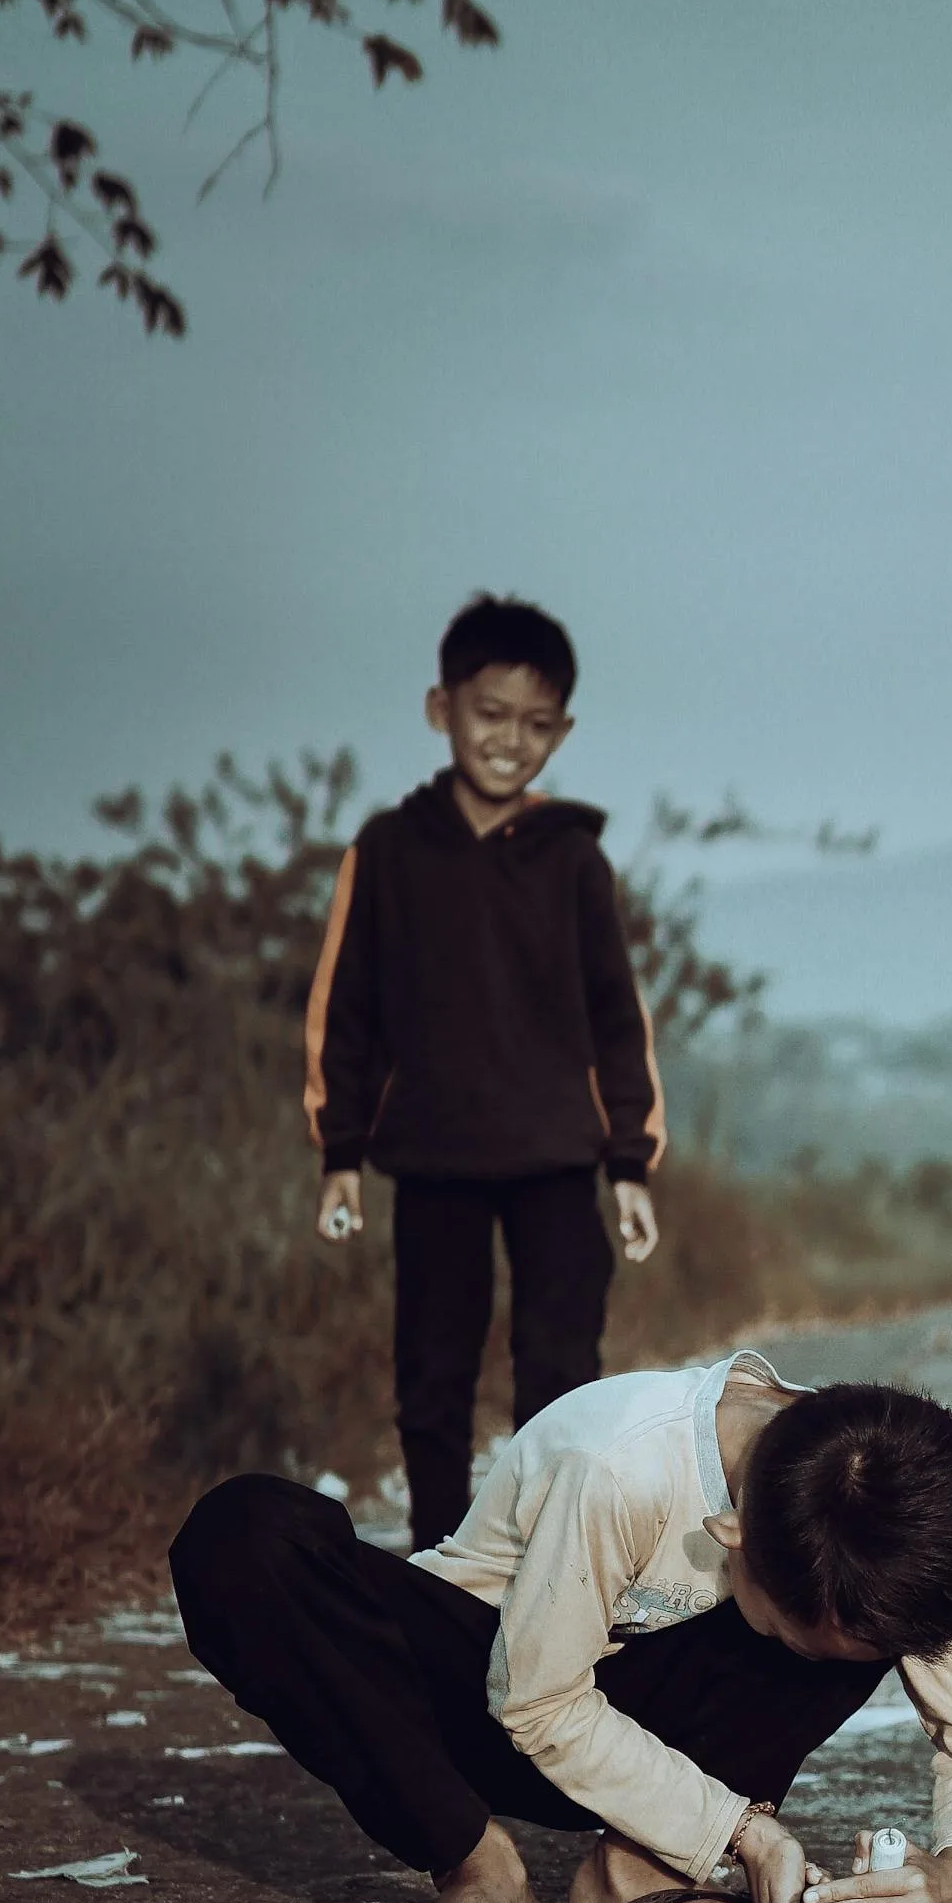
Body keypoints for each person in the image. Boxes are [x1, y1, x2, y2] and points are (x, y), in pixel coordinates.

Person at [169, 1353, 952, 1903]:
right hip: (483, 1699)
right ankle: (475, 1864)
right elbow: (536, 1705)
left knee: (856, 1623)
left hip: (648, 1739)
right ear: (733, 1535)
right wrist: (745, 1833)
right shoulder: (621, 1465)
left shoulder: (879, 1514)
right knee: (242, 1539)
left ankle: (640, 1873)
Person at [303, 592, 666, 1551]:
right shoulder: (386, 852)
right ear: (441, 708)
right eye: (490, 714)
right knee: (432, 1377)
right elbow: (348, 1007)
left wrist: (629, 1163)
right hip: (435, 1161)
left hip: (555, 1160)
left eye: (537, 725)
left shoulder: (574, 860)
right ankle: (438, 1560)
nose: (511, 741)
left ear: (564, 732)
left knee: (558, 1370)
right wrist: (340, 1151)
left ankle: (549, 1557)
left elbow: (616, 1019)